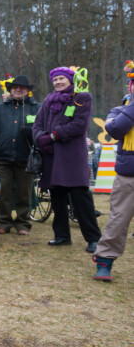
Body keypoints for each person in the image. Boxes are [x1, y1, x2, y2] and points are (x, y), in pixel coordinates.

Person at [33, 66, 102, 253]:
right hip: (51, 157)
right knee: (57, 197)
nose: (58, 82)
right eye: (55, 80)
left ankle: (94, 238)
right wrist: (41, 138)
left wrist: (54, 136)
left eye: (62, 79)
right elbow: (37, 124)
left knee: (80, 197)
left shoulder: (82, 98)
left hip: (72, 156)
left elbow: (79, 125)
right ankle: (62, 235)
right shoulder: (48, 100)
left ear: (70, 80)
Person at [91, 62, 134, 281]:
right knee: (118, 221)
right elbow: (115, 129)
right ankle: (104, 261)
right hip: (128, 176)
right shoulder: (120, 110)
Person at [0, 75, 41, 234]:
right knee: (5, 192)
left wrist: (32, 133)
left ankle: (23, 224)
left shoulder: (37, 108)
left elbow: (43, 129)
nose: (18, 90)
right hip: (4, 157)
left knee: (25, 193)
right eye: (15, 87)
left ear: (28, 91)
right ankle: (4, 223)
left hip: (26, 157)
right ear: (9, 90)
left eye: (22, 88)